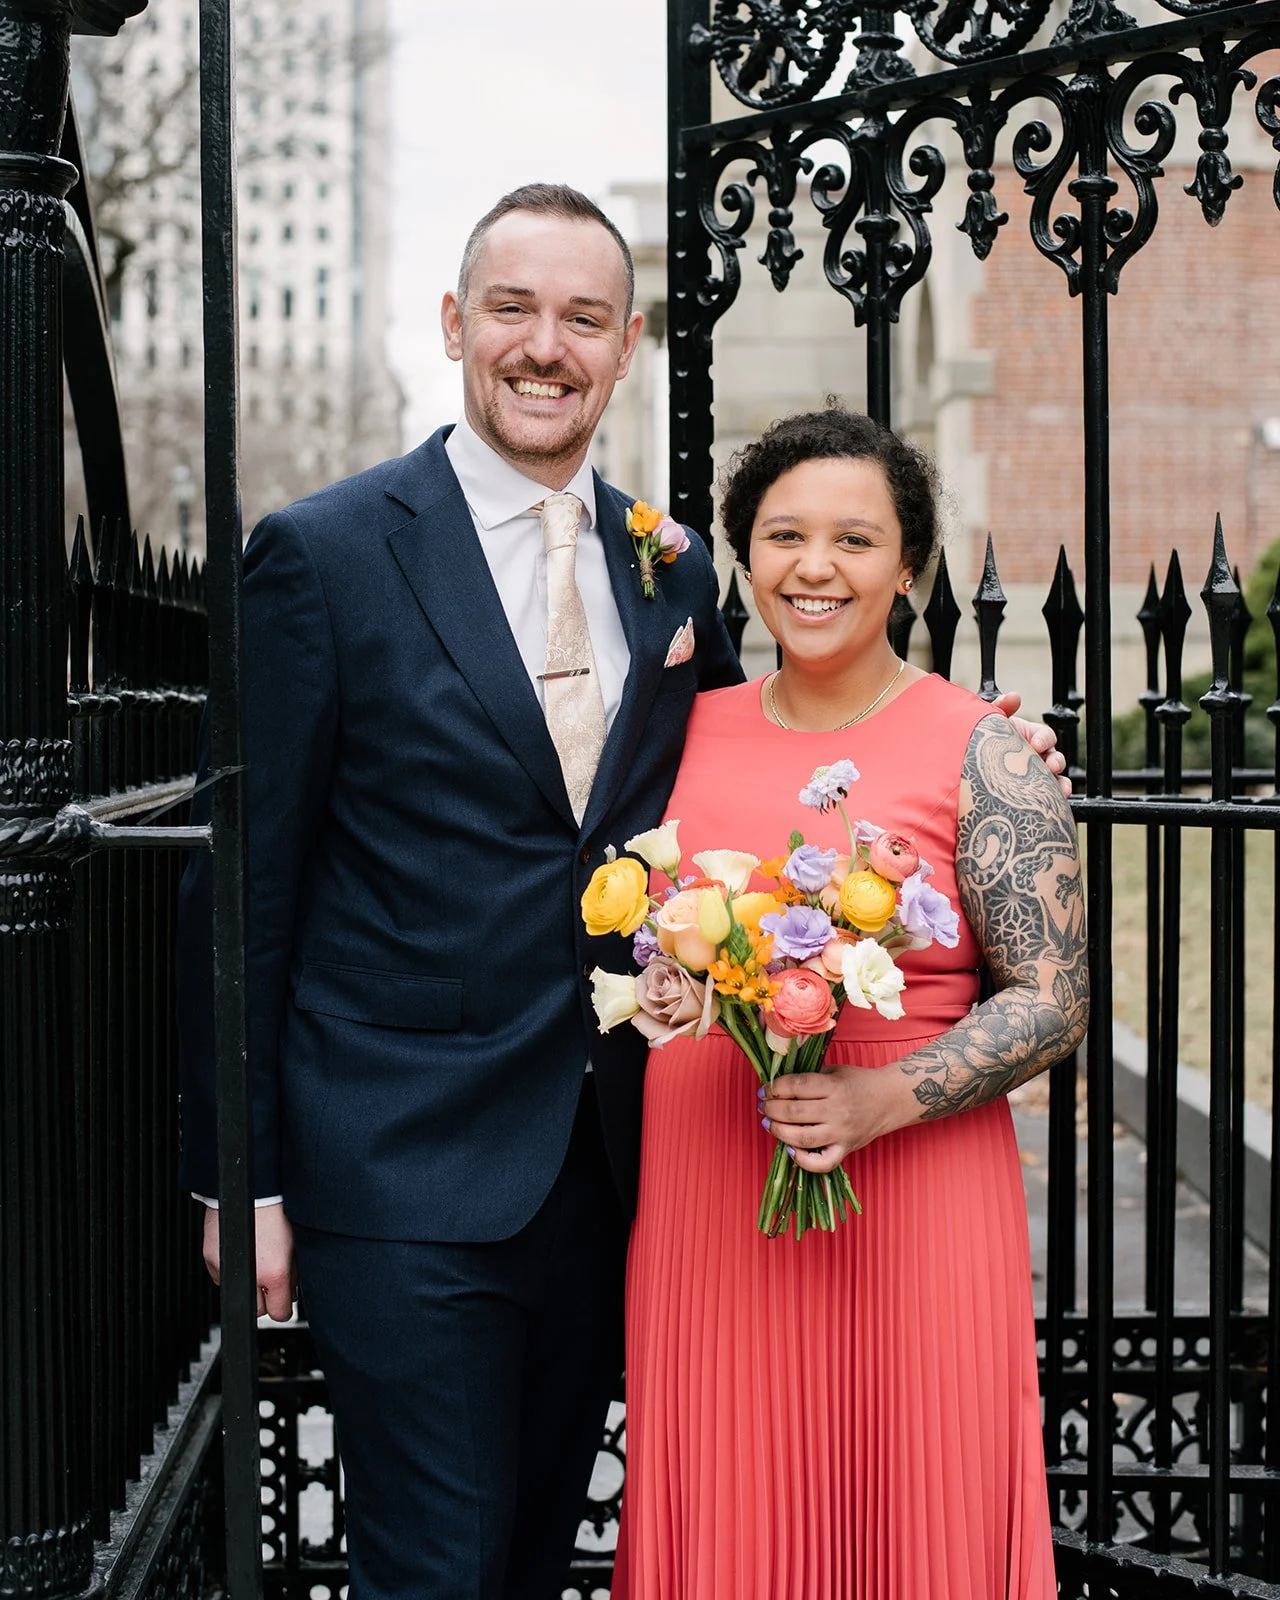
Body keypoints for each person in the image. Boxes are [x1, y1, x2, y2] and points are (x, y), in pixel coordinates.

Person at [177, 188, 1066, 1598]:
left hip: (614, 1173)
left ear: (628, 342)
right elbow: (249, 886)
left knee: (532, 1557)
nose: (547, 346)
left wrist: (982, 749)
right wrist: (246, 1180)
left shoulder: (672, 573)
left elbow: (767, 780)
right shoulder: (327, 554)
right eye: (515, 311)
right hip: (397, 1166)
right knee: (433, 1568)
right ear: (458, 324)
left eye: (583, 317)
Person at [612, 406, 1088, 1599]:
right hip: (712, 1190)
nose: (813, 567)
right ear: (744, 555)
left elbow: (1052, 996)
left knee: (911, 1508)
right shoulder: (677, 726)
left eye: (854, 539)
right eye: (782, 535)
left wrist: (885, 1093)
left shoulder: (983, 748)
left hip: (912, 1193)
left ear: (909, 567)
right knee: (729, 1506)